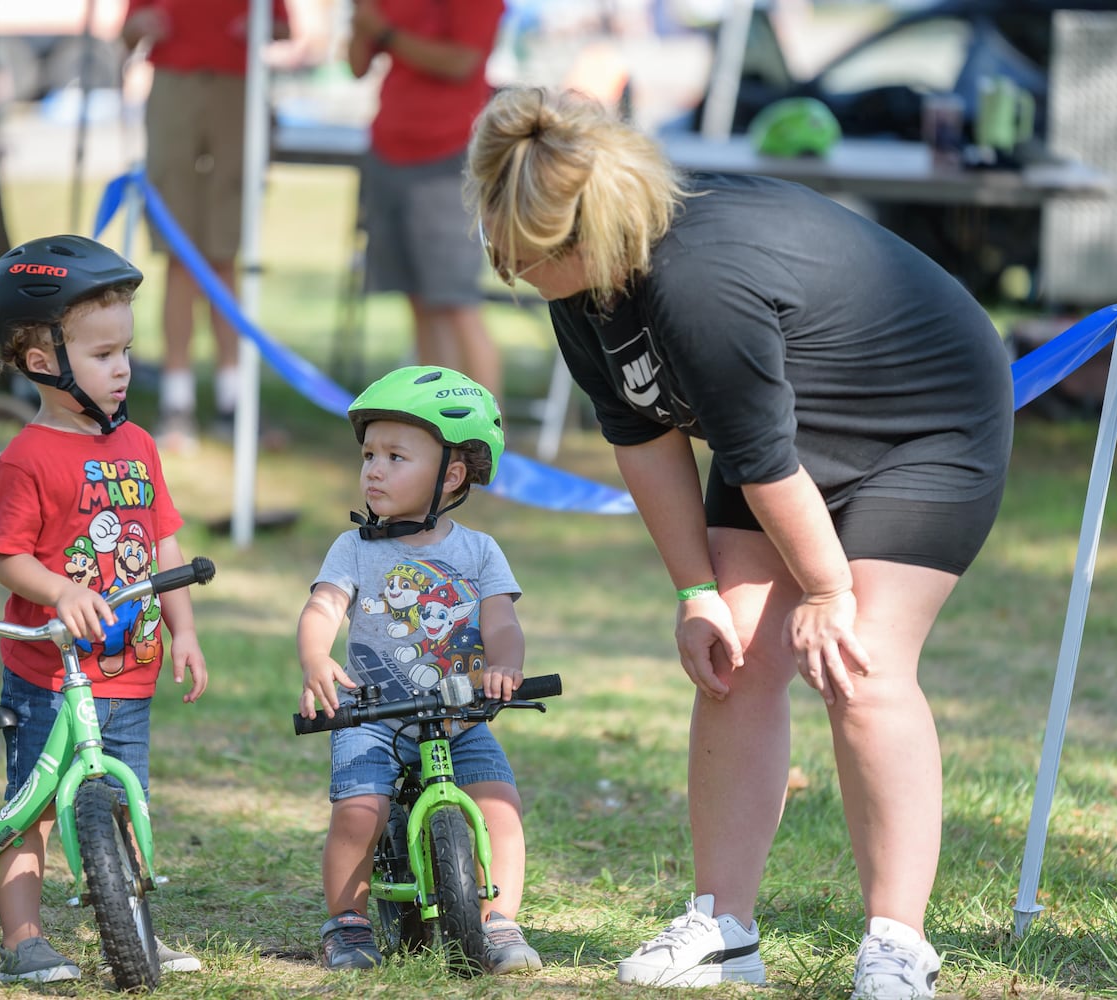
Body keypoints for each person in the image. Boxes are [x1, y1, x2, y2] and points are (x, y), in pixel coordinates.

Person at [464, 87, 1014, 999]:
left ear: (589, 237)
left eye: (524, 258)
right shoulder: (585, 288)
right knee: (734, 653)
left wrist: (831, 594)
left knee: (862, 663)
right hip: (788, 434)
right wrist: (695, 592)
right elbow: (641, 436)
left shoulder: (695, 281)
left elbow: (758, 460)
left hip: (925, 420)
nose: (509, 270)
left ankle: (897, 942)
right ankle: (723, 926)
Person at [0, 234, 210, 984]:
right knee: (32, 808)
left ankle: (135, 928)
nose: (123, 368)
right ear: (44, 360)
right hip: (50, 672)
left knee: (124, 798)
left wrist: (184, 631)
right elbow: (7, 556)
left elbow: (164, 540)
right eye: (104, 354)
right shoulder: (29, 456)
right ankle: (23, 942)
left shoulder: (139, 444)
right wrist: (62, 591)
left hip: (127, 670)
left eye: (127, 351)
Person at [297, 365, 541, 975]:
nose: (373, 469)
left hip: (460, 716)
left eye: (395, 456)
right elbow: (323, 606)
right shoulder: (354, 548)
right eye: (369, 454)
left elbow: (502, 623)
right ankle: (348, 923)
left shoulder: (479, 551)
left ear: (451, 475)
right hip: (373, 715)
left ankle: (500, 922)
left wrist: (505, 666)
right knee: (359, 811)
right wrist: (315, 657)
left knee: (500, 806)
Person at [121, 0, 289, 451]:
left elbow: (282, 27)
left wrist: (259, 27)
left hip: (236, 85)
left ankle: (231, 398)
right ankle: (179, 400)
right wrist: (142, 26)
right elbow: (129, 31)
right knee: (180, 254)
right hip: (175, 84)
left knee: (224, 253)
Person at [347, 0, 504, 399]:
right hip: (389, 149)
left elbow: (462, 62)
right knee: (419, 302)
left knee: (455, 303)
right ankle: (441, 423)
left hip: (447, 157)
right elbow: (356, 65)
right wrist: (364, 22)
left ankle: (489, 440)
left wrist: (386, 33)